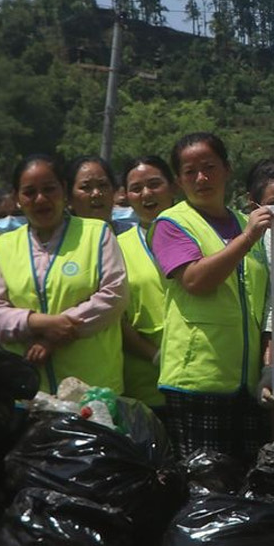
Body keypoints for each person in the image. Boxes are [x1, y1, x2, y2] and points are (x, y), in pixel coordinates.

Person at [152, 132, 272, 462]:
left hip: (246, 382)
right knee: (205, 481)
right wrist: (247, 239)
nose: (201, 178)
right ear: (178, 181)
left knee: (248, 478)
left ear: (227, 169)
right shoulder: (172, 223)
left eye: (209, 167)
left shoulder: (244, 222)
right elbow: (195, 280)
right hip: (198, 379)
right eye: (190, 172)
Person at [0, 154, 129, 396]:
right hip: (29, 390)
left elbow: (114, 296)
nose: (41, 199)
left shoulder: (97, 234)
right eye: (30, 192)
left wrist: (54, 337)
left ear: (64, 191)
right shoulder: (3, 247)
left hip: (93, 389)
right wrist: (37, 322)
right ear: (17, 198)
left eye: (49, 189)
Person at [117, 155, 177, 410]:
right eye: (136, 188)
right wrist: (154, 355)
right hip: (144, 384)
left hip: (201, 375)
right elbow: (115, 317)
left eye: (154, 184)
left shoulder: (199, 235)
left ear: (173, 186)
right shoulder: (116, 247)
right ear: (125, 196)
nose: (146, 194)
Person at [69, 155, 132, 234]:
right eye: (86, 187)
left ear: (114, 190)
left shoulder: (132, 235)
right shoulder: (58, 238)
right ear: (68, 197)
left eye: (103, 185)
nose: (96, 193)